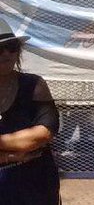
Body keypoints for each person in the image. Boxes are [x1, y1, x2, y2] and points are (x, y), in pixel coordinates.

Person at [0, 16, 60, 205]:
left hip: (35, 183)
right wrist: (9, 156)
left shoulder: (34, 85)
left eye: (11, 46)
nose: (5, 54)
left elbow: (43, 133)